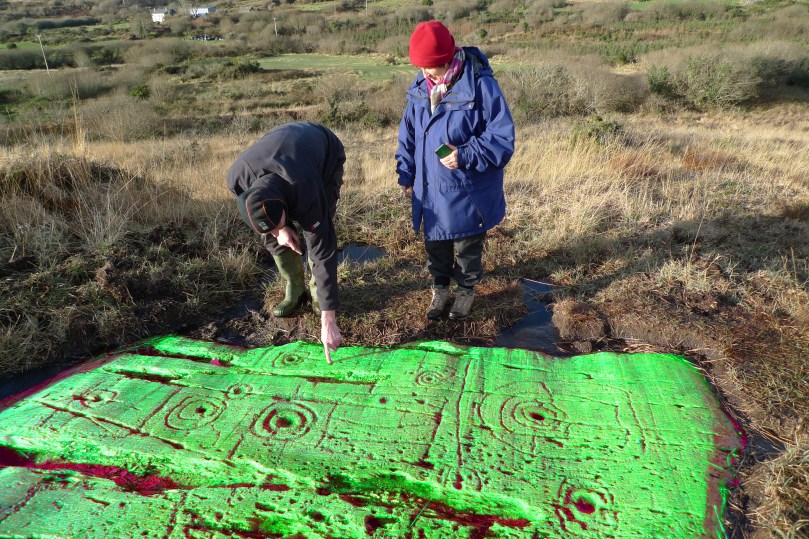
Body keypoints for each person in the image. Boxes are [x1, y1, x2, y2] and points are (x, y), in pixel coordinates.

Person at [396, 21, 515, 321]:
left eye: (431, 67)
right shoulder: (419, 86)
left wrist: (465, 154)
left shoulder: (481, 84)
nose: (426, 74)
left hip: (466, 190)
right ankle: (440, 288)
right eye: (421, 67)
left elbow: (502, 138)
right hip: (429, 191)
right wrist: (406, 173)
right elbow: (408, 134)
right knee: (435, 245)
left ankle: (466, 290)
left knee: (466, 247)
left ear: (449, 59)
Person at [226, 121, 345, 363]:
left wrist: (328, 321)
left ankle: (317, 295)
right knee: (272, 232)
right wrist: (279, 231)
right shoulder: (237, 178)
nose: (276, 229)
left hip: (322, 150)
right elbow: (265, 219)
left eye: (280, 221)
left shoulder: (305, 190)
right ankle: (295, 287)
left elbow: (323, 250)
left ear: (284, 205)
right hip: (280, 146)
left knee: (319, 229)